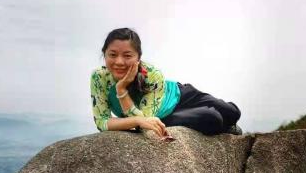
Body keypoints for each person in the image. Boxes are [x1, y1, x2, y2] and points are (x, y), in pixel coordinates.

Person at [90, 27, 242, 139]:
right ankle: (223, 125)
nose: (119, 62)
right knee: (213, 118)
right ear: (104, 54)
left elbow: (143, 120)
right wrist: (122, 90)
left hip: (181, 96)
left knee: (233, 112)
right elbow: (103, 122)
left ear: (138, 57)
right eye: (112, 55)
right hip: (162, 117)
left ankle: (230, 124)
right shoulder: (99, 78)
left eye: (127, 55)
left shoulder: (152, 74)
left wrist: (122, 91)